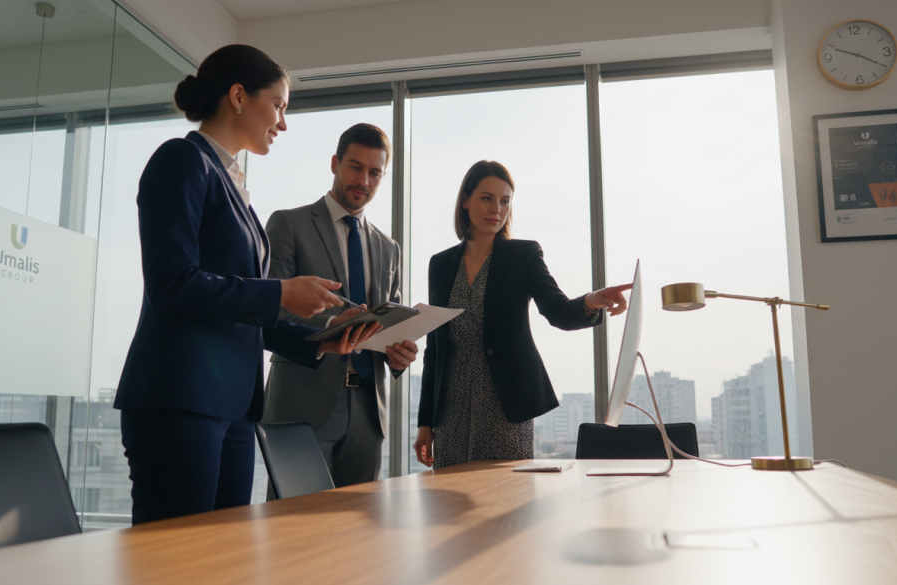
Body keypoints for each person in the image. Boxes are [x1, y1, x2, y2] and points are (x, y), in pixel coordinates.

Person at [113, 45, 379, 525]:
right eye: (278, 105)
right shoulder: (181, 161)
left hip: (234, 407)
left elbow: (242, 315)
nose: (282, 122)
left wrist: (322, 340)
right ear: (238, 96)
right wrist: (281, 293)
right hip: (180, 399)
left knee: (223, 559)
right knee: (175, 563)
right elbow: (172, 285)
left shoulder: (233, 183)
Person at [412, 161, 632, 469]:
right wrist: (426, 422)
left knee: (504, 501)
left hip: (504, 406)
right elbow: (434, 349)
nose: (497, 209)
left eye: (505, 201)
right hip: (451, 409)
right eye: (487, 198)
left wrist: (592, 301)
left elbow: (558, 311)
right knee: (449, 504)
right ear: (465, 200)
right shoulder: (440, 263)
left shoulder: (523, 255)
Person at [263, 123, 418, 487]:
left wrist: (399, 354)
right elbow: (269, 309)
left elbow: (386, 322)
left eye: (375, 172)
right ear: (335, 163)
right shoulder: (289, 224)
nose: (363, 179)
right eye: (355, 166)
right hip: (303, 404)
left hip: (368, 411)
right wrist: (335, 325)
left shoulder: (388, 247)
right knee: (295, 529)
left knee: (360, 534)